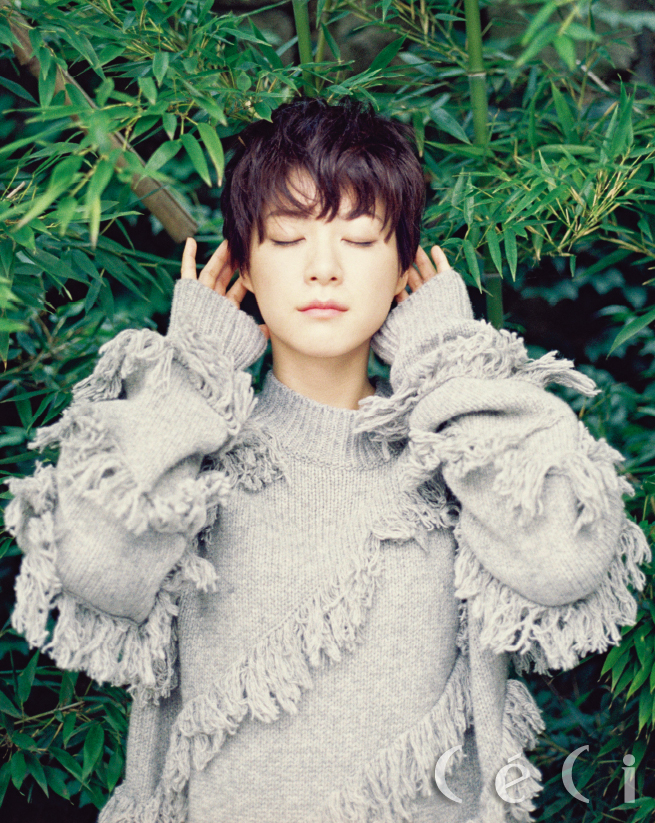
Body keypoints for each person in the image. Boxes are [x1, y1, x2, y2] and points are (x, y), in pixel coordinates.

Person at [6, 98, 650, 823]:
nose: (322, 269)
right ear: (243, 267)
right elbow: (95, 568)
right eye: (287, 238)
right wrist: (192, 368)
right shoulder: (196, 462)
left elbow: (565, 561)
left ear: (404, 268)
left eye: (360, 238)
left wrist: (445, 360)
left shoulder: (455, 457)